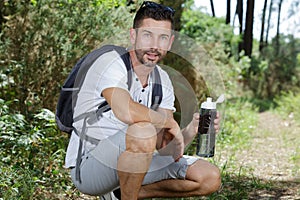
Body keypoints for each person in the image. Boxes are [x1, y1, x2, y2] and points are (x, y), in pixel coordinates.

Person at [64, 1, 221, 199]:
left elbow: (165, 150)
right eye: (147, 35)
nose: (155, 46)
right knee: (144, 130)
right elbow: (124, 110)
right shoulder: (110, 62)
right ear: (133, 36)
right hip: (90, 167)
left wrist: (192, 129)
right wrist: (167, 121)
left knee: (209, 177)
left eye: (162, 38)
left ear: (170, 42)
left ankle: (123, 193)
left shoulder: (162, 80)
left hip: (134, 164)